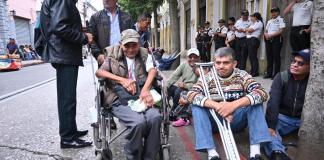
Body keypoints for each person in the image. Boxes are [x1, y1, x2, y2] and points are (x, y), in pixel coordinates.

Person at [188, 47, 271, 160]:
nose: (221, 66)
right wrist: (219, 107)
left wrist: (232, 106)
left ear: (234, 63)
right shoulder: (208, 77)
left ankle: (255, 153)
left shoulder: (242, 75)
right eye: (218, 63)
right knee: (197, 106)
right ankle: (212, 153)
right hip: (214, 121)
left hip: (236, 119)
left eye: (226, 63)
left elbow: (262, 93)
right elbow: (191, 95)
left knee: (255, 102)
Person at [96, 29, 162, 159]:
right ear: (121, 44)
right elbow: (99, 72)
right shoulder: (112, 55)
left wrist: (145, 89)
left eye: (134, 45)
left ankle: (149, 157)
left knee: (155, 118)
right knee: (138, 122)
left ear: (139, 44)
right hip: (119, 98)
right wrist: (123, 80)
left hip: (141, 96)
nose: (131, 50)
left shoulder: (144, 54)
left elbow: (152, 71)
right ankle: (133, 156)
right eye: (127, 45)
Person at [39, 0, 93, 148]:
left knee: (68, 97)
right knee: (67, 98)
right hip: (64, 54)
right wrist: (83, 37)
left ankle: (70, 130)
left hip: (63, 53)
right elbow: (60, 26)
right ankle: (68, 137)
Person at [263, 49, 310, 160]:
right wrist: (271, 125)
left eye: (300, 63)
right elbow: (273, 102)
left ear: (310, 67)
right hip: (284, 118)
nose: (294, 65)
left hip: (305, 121)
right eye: (294, 61)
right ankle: (277, 152)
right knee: (263, 127)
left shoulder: (314, 82)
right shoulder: (281, 77)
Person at [89, 0, 134, 66]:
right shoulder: (95, 18)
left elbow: (133, 38)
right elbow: (91, 39)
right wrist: (98, 55)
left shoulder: (127, 17)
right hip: (105, 60)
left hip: (125, 59)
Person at [166, 48, 200, 126]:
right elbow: (174, 76)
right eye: (190, 57)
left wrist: (186, 85)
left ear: (198, 58)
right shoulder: (184, 65)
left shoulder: (200, 67)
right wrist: (166, 86)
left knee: (179, 91)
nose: (192, 59)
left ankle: (175, 112)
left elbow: (200, 85)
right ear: (187, 58)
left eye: (195, 57)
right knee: (169, 88)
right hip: (183, 88)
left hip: (193, 90)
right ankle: (169, 110)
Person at [264, 7, 286, 79]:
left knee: (276, 57)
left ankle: (276, 74)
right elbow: (266, 30)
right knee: (269, 57)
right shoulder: (269, 21)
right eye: (272, 12)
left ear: (278, 12)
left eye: (275, 11)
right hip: (268, 39)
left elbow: (280, 30)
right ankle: (269, 73)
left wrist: (271, 35)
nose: (273, 13)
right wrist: (266, 35)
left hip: (276, 39)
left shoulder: (280, 19)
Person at [245, 12, 264, 77]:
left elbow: (250, 30)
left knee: (253, 57)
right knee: (251, 57)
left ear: (255, 17)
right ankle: (252, 71)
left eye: (252, 17)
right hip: (250, 40)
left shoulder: (258, 23)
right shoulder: (253, 23)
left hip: (254, 40)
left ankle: (255, 72)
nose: (251, 18)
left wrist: (247, 30)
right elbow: (248, 31)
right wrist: (247, 30)